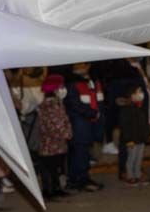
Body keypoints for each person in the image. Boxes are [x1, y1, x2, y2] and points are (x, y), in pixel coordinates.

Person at [64, 62, 105, 192]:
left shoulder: (92, 80)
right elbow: (74, 104)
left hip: (90, 123)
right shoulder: (71, 82)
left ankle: (78, 179)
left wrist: (98, 115)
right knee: (79, 152)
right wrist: (93, 113)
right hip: (79, 123)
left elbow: (100, 100)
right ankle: (80, 180)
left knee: (83, 152)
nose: (84, 66)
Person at [34, 74, 72, 200]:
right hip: (53, 144)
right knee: (52, 168)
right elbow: (57, 124)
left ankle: (55, 189)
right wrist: (67, 134)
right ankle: (50, 192)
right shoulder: (52, 105)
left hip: (50, 143)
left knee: (54, 167)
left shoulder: (46, 104)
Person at [119, 71, 150, 186]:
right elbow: (125, 126)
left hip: (140, 137)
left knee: (139, 157)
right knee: (131, 158)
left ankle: (137, 174)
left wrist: (148, 134)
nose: (141, 94)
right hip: (132, 139)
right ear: (131, 95)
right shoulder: (126, 109)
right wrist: (128, 140)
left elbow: (143, 123)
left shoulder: (139, 107)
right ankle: (130, 175)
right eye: (138, 92)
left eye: (141, 92)